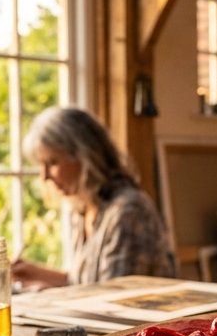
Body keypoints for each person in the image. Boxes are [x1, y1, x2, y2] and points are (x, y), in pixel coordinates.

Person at [11, 107, 177, 290]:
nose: (44, 176)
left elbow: (114, 299)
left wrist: (45, 292)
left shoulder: (128, 211)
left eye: (52, 163)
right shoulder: (84, 209)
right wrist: (35, 273)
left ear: (85, 156)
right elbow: (86, 284)